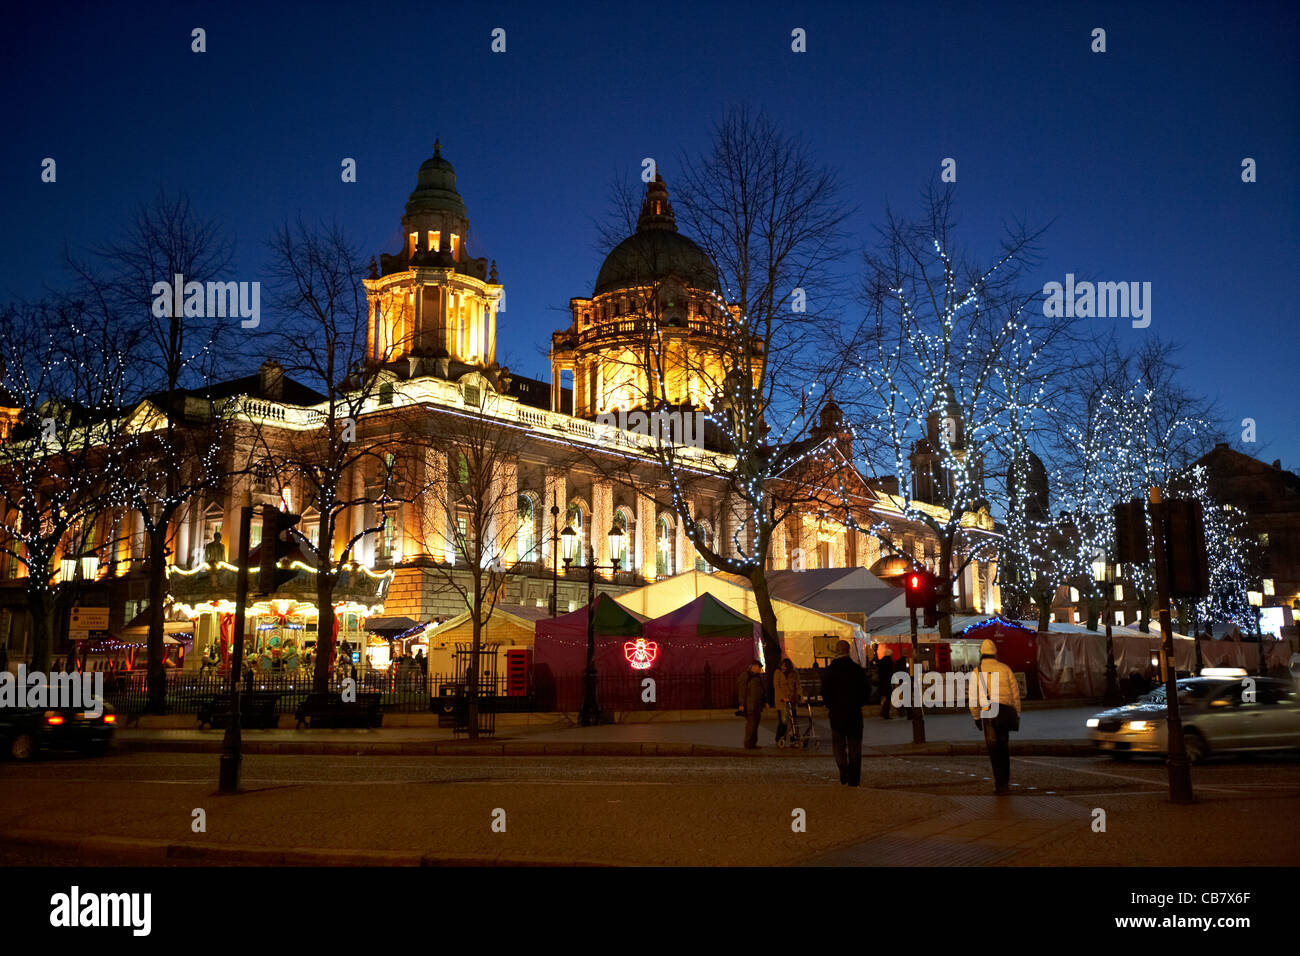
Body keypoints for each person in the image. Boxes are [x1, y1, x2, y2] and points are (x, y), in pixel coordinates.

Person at [969, 638, 1021, 795]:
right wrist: (1017, 713)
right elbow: (1015, 694)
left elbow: (973, 698)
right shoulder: (1005, 669)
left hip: (988, 715)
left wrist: (976, 717)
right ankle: (1005, 783)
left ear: (981, 653)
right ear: (995, 653)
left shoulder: (977, 672)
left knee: (994, 750)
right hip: (1004, 712)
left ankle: (999, 784)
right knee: (1004, 749)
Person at [821, 640, 871, 785]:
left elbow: (825, 693)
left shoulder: (830, 670)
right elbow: (866, 691)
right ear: (848, 650)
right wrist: (858, 703)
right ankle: (854, 779)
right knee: (855, 748)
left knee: (838, 746)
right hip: (854, 714)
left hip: (837, 715)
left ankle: (843, 769)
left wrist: (832, 706)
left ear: (836, 650)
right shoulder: (856, 669)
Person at [736, 660, 767, 748]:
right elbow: (741, 691)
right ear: (753, 666)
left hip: (757, 705)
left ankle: (753, 743)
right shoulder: (746, 676)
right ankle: (748, 743)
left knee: (755, 724)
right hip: (749, 704)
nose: (760, 669)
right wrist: (741, 704)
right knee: (751, 725)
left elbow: (761, 690)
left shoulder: (758, 677)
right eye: (759, 667)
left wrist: (765, 701)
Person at [772, 658, 802, 743]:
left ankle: (794, 738)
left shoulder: (794, 674)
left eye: (786, 666)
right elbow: (777, 687)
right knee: (783, 722)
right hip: (781, 702)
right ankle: (780, 738)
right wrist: (782, 697)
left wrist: (799, 695)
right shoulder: (777, 673)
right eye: (782, 665)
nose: (784, 668)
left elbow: (798, 685)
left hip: (792, 700)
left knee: (793, 721)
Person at [876, 645, 895, 719]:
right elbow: (890, 672)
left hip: (882, 682)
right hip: (887, 682)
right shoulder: (889, 661)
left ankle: (883, 711)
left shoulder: (881, 661)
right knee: (888, 697)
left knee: (886, 697)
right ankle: (885, 712)